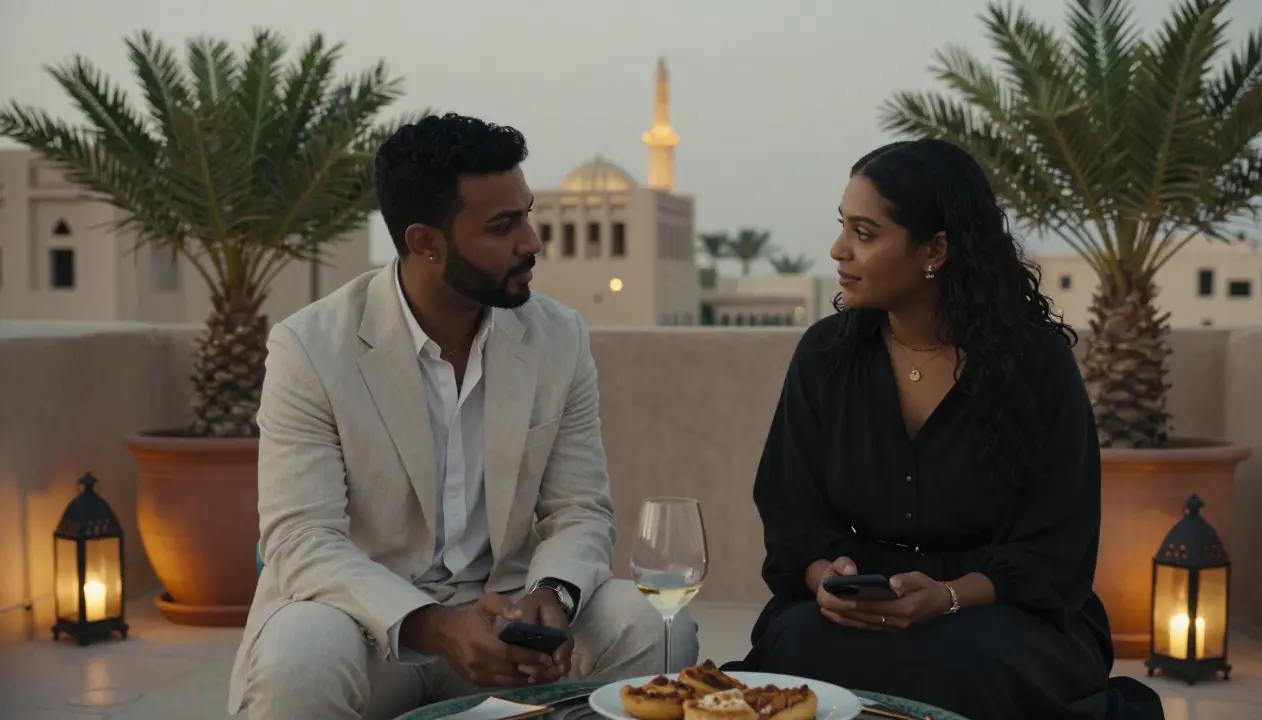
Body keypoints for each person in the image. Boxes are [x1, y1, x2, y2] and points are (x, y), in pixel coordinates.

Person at [227, 113, 698, 720]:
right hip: (367, 627)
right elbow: (300, 538)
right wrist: (436, 625)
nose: (531, 242)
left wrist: (549, 597)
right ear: (426, 241)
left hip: (510, 628)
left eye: (527, 213)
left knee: (655, 626)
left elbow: (579, 510)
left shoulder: (558, 338)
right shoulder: (311, 348)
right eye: (504, 226)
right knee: (301, 657)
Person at [727, 139, 1165, 720]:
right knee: (801, 649)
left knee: (956, 666)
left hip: (1000, 610)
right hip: (856, 607)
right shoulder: (826, 358)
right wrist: (825, 580)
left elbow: (1055, 547)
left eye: (864, 233)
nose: (838, 251)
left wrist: (950, 597)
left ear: (935, 249)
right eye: (843, 227)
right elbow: (791, 514)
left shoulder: (1035, 367)